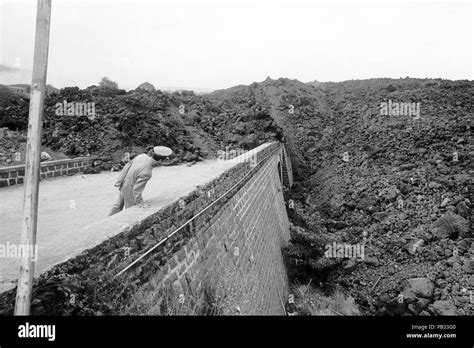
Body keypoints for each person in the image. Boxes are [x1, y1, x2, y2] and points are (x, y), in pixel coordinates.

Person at [108, 146, 173, 216]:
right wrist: (140, 203)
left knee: (117, 206)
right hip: (130, 189)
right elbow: (137, 189)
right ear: (160, 160)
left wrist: (119, 181)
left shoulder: (142, 156)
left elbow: (127, 165)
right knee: (130, 211)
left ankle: (107, 221)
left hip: (124, 183)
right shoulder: (147, 172)